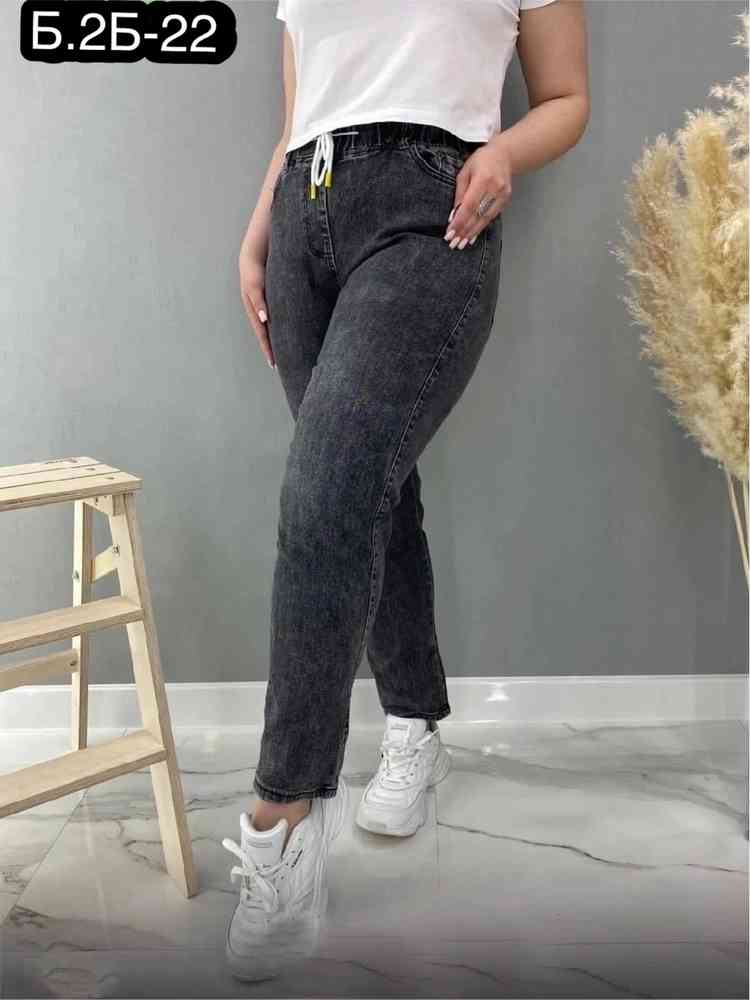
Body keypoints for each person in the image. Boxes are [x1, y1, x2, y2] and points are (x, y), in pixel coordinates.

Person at [223, 0, 589, 981]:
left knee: (328, 492)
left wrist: (503, 153)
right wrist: (260, 230)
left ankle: (284, 813)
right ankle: (416, 723)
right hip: (304, 215)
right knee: (369, 492)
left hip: (433, 210)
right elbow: (302, 111)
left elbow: (567, 98)